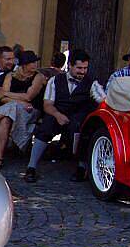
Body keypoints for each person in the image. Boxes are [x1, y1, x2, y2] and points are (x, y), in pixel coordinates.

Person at [24, 49, 96, 183]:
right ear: (70, 65)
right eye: (79, 68)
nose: (82, 71)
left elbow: (102, 100)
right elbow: (48, 104)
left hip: (78, 117)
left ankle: (82, 168)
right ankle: (31, 167)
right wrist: (57, 115)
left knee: (82, 129)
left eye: (85, 68)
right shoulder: (55, 80)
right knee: (46, 126)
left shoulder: (92, 83)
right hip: (57, 113)